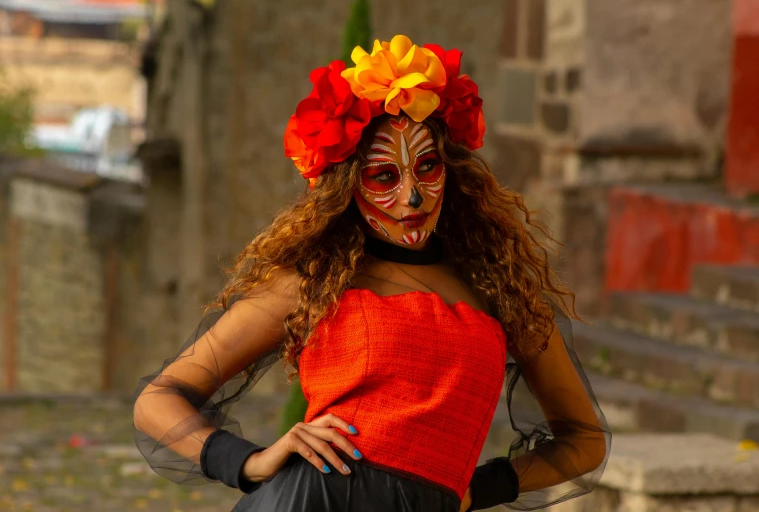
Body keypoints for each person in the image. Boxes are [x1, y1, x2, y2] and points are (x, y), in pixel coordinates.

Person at [132, 34, 610, 512]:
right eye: (384, 176)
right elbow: (158, 400)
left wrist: (478, 489)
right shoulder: (313, 282)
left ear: (453, 171)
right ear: (346, 188)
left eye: (427, 167)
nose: (413, 196)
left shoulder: (499, 290)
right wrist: (249, 462)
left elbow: (584, 440)